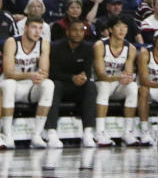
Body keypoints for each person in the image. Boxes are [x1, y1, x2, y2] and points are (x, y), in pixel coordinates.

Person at [1, 17, 55, 149]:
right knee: (9, 84)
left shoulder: (44, 43)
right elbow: (8, 73)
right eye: (34, 27)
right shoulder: (12, 42)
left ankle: (37, 134)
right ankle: (7, 134)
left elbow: (44, 71)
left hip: (29, 86)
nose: (37, 32)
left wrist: (38, 76)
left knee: (48, 84)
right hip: (10, 85)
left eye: (40, 28)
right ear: (25, 28)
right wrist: (30, 75)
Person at [47, 19, 98, 148]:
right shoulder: (55, 47)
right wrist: (71, 78)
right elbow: (52, 73)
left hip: (77, 86)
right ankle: (51, 132)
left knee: (90, 86)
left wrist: (82, 77)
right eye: (75, 30)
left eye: (81, 30)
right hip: (61, 84)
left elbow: (87, 72)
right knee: (54, 86)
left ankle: (88, 132)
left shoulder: (88, 48)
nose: (78, 33)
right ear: (68, 32)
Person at [93, 16, 140, 146]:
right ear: (110, 30)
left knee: (132, 87)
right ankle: (99, 132)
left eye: (125, 27)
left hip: (117, 84)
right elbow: (101, 75)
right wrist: (119, 77)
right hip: (99, 84)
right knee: (104, 85)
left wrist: (126, 78)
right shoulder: (100, 45)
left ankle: (127, 132)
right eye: (118, 27)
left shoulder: (131, 48)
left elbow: (128, 74)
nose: (122, 30)